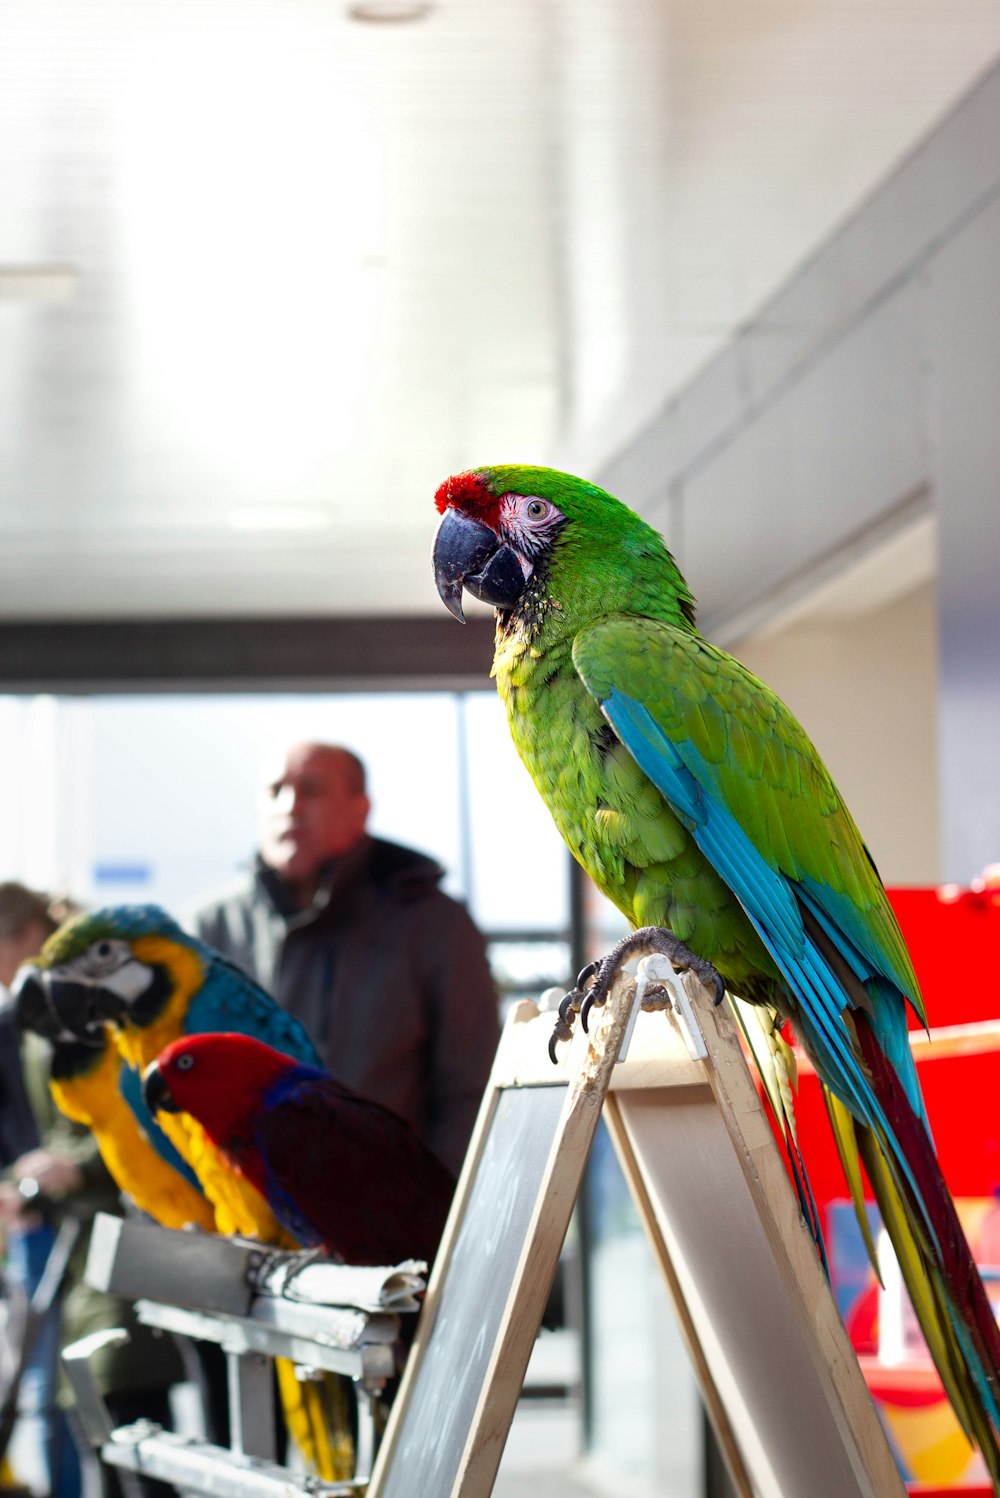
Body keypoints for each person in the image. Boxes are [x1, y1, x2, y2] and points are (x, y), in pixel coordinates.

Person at [190, 742, 499, 1177]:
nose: (289, 806)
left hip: (387, 1221)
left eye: (311, 790)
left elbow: (469, 1091)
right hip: (238, 1223)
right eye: (275, 790)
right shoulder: (207, 930)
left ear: (361, 809)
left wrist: (436, 1216)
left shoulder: (433, 924)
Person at [0, 883, 181, 1498]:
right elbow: (64, 1129)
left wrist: (72, 1167)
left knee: (133, 1433)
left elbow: (142, 1121)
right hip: (78, 1247)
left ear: (26, 938)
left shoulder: (83, 1004)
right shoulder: (34, 1015)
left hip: (125, 1240)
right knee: (94, 1429)